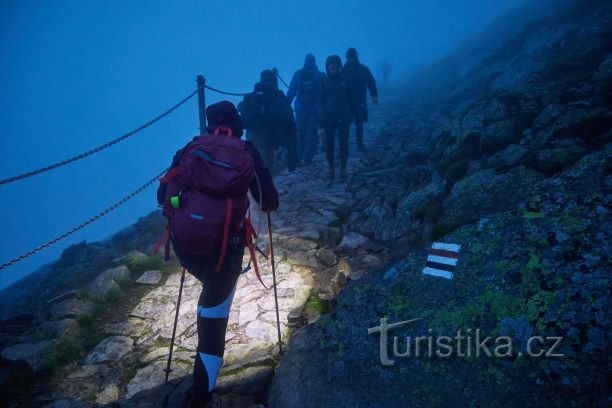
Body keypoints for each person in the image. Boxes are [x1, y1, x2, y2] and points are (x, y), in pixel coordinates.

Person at [157, 101, 278, 408]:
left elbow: (162, 196)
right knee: (214, 316)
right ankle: (201, 397)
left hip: (187, 245)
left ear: (208, 125)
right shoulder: (246, 151)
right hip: (226, 248)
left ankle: (206, 309)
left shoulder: (190, 148)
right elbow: (269, 201)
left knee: (211, 294)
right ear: (238, 123)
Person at [240, 70, 297, 173]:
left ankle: (253, 184)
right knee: (265, 166)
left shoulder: (252, 95)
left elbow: (242, 109)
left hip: (250, 134)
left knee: (252, 162)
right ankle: (265, 185)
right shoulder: (277, 95)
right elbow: (286, 117)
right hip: (267, 135)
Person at [319, 55, 353, 183]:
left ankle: (343, 168)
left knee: (344, 144)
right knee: (329, 145)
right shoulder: (324, 82)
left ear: (340, 66)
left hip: (344, 117)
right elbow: (321, 102)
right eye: (331, 67)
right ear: (327, 68)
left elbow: (352, 99)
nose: (333, 69)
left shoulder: (346, 80)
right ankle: (331, 168)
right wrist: (321, 121)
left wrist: (353, 115)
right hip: (329, 119)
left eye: (336, 66)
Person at [286, 54, 324, 166]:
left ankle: (298, 158)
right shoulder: (320, 75)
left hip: (300, 108)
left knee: (299, 133)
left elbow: (292, 90)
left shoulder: (298, 74)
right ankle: (308, 159)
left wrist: (287, 103)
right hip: (314, 108)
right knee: (311, 134)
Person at [343, 47, 378, 152]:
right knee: (345, 126)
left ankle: (360, 144)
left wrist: (374, 95)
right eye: (349, 57)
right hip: (347, 102)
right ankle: (346, 148)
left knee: (359, 124)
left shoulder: (363, 69)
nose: (351, 59)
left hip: (359, 101)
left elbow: (371, 82)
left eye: (352, 57)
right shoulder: (344, 70)